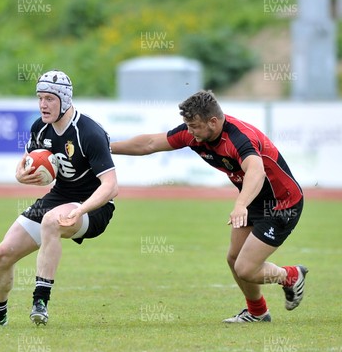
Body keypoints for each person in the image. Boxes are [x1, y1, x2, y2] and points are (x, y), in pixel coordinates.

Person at [111, 90, 307, 323]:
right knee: (234, 258)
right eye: (188, 125)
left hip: (282, 203)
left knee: (245, 268)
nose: (190, 132)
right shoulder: (194, 134)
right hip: (253, 198)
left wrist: (240, 205)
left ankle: (291, 276)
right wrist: (106, 148)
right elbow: (150, 143)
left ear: (213, 122)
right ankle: (257, 312)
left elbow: (256, 171)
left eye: (194, 126)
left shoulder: (238, 138)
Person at [0, 70, 118, 326]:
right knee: (2, 253)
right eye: (40, 98)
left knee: (51, 222)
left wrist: (80, 211)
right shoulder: (40, 128)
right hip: (59, 197)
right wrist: (20, 176)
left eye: (50, 99)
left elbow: (111, 187)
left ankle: (40, 300)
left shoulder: (88, 132)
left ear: (65, 100)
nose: (43, 105)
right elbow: (26, 163)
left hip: (95, 206)